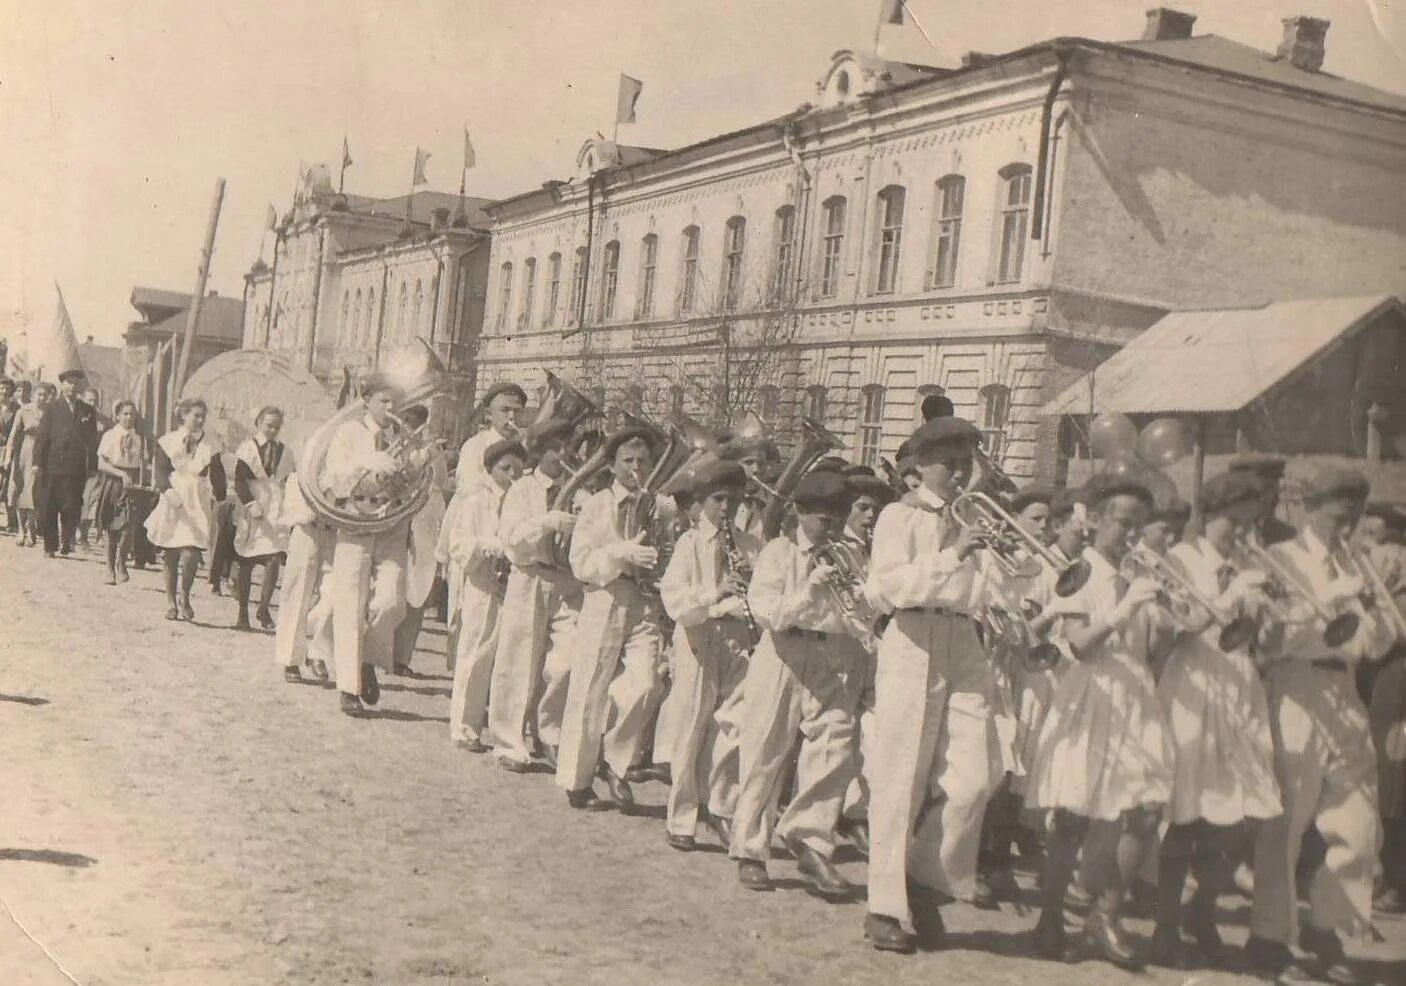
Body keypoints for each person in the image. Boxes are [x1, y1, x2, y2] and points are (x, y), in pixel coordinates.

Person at [1245, 467, 1397, 986]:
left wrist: (1376, 612)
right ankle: (1269, 936)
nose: (1349, 522)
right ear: (1313, 508)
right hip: (1296, 687)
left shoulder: (1356, 560)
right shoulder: (1283, 560)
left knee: (1358, 822)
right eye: (1340, 512)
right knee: (1286, 820)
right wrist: (1331, 602)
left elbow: (1376, 647)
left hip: (1346, 688)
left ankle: (1325, 926)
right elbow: (1269, 645)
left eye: (1354, 512)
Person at [861, 416, 1007, 953]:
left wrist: (1003, 580)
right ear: (920, 465)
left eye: (968, 459)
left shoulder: (970, 517)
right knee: (900, 776)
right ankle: (884, 905)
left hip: (964, 639)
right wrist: (956, 553)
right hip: (914, 635)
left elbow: (985, 590)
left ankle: (925, 869)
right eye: (951, 460)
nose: (962, 470)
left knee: (978, 774)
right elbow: (892, 587)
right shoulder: (898, 517)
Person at [1023, 473, 1175, 969]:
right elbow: (1082, 645)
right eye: (1121, 522)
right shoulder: (1079, 572)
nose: (1131, 534)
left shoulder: (1137, 571)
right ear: (1093, 520)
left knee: (1147, 808)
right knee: (1074, 816)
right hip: (1092, 693)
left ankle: (1105, 915)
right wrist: (1123, 609)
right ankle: (1049, 921)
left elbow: (1153, 653)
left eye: (1138, 525)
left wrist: (1165, 616)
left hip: (1135, 694)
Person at [1150, 471, 1283, 969]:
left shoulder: (1247, 563)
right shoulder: (1181, 559)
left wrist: (1270, 613)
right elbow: (1181, 627)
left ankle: (1201, 912)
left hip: (1238, 685)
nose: (1240, 531)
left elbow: (1262, 644)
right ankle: (1166, 926)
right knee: (1185, 815)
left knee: (1240, 816)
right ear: (1209, 515)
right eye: (1233, 520)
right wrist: (1230, 596)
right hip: (1194, 685)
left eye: (1247, 521)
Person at [731, 470, 873, 898]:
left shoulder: (851, 554)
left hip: (832, 654)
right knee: (765, 750)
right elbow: (767, 613)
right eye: (822, 518)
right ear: (799, 513)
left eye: (837, 517)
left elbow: (860, 613)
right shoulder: (778, 552)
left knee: (835, 746)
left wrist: (858, 611)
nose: (830, 526)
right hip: (781, 653)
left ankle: (810, 841)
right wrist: (808, 592)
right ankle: (750, 851)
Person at [554, 425, 665, 811]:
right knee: (589, 687)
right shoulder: (598, 504)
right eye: (628, 461)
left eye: (643, 460)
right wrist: (622, 553)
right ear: (613, 465)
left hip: (645, 601)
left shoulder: (657, 504)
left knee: (647, 683)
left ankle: (616, 761)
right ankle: (577, 778)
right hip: (605, 596)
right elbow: (581, 562)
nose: (636, 467)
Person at [659, 459, 760, 852]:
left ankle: (720, 807)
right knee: (691, 728)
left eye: (733, 501)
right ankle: (681, 817)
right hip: (698, 639)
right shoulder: (690, 544)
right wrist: (714, 593)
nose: (726, 508)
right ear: (701, 500)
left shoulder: (749, 544)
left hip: (737, 640)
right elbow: (676, 602)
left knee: (732, 728)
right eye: (719, 499)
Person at [317, 373, 419, 716]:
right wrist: (367, 465)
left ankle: (365, 659)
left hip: (390, 524)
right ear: (367, 401)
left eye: (395, 403)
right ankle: (348, 687)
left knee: (391, 602)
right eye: (384, 402)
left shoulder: (399, 435)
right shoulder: (348, 433)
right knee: (349, 603)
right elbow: (332, 477)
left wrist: (416, 468)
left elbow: (413, 484)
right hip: (356, 520)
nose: (391, 409)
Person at [485, 417, 581, 772]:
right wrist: (546, 522)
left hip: (567, 581)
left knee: (565, 662)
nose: (564, 454)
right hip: (529, 576)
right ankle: (509, 741)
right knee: (518, 659)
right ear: (541, 451)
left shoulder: (581, 489)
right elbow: (511, 538)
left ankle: (548, 732)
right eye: (557, 448)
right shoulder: (522, 490)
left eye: (569, 447)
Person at [447, 438, 525, 751]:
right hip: (482, 581)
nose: (512, 475)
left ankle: (496, 727)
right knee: (475, 653)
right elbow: (458, 543)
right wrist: (484, 544)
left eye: (519, 469)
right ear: (490, 469)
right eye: (506, 468)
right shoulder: (476, 501)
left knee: (505, 658)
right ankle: (463, 726)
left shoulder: (522, 501)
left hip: (512, 584)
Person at [1353, 502, 1406, 917]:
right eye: (1365, 534)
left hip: (1396, 687)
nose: (1368, 546)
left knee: (1394, 778)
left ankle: (1396, 881)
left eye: (1378, 537)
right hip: (1381, 683)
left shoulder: (1395, 589)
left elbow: (1380, 644)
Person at [144, 398, 227, 621]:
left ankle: (185, 596)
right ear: (183, 415)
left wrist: (221, 495)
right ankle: (171, 601)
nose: (200, 421)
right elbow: (161, 471)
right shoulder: (168, 441)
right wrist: (167, 491)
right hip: (174, 495)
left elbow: (218, 474)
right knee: (171, 553)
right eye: (195, 416)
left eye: (203, 416)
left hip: (197, 499)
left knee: (191, 552)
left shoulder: (211, 444)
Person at [391, 405, 448, 675]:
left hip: (424, 520)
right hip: (396, 519)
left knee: (418, 589)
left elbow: (441, 484)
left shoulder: (432, 450)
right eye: (403, 422)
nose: (406, 428)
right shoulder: (393, 448)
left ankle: (401, 658)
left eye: (411, 423)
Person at [231, 407, 295, 630]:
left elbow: (289, 480)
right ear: (259, 423)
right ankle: (242, 613)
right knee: (246, 560)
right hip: (253, 505)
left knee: (274, 558)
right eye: (268, 425)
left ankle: (264, 607)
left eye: (277, 427)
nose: (272, 430)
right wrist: (250, 503)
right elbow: (239, 481)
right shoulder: (248, 449)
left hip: (275, 506)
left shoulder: (285, 452)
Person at [32, 368, 98, 557]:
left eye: (75, 382)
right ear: (62, 384)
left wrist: (92, 465)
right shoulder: (52, 409)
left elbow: (92, 441)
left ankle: (67, 539)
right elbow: (42, 438)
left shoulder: (87, 410)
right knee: (48, 507)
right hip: (52, 465)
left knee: (72, 506)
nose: (72, 385)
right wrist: (37, 462)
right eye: (68, 382)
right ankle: (50, 546)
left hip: (74, 468)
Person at [92, 400, 145, 584]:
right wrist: (120, 473)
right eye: (125, 414)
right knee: (110, 526)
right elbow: (101, 463)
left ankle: (121, 564)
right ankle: (109, 568)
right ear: (117, 416)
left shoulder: (139, 438)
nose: (129, 418)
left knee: (127, 526)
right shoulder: (110, 436)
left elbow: (142, 464)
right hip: (113, 481)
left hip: (131, 484)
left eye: (132, 414)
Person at [5, 381, 51, 546]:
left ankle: (31, 525)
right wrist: (8, 457)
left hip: (42, 455)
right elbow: (13, 435)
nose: (42, 398)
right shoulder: (23, 411)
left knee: (35, 492)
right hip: (25, 451)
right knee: (21, 489)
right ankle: (21, 530)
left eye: (45, 395)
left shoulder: (50, 413)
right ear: (33, 395)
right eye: (39, 394)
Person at [77, 386, 111, 548]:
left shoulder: (103, 421)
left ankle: (83, 535)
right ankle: (72, 532)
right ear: (82, 400)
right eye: (89, 400)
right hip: (76, 464)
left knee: (91, 501)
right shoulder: (75, 417)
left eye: (94, 400)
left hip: (95, 465)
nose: (92, 403)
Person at [0, 377, 18, 534]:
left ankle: (12, 522)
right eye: (1, 388)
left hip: (9, 451)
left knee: (7, 486)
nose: (4, 392)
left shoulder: (17, 409)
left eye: (7, 389)